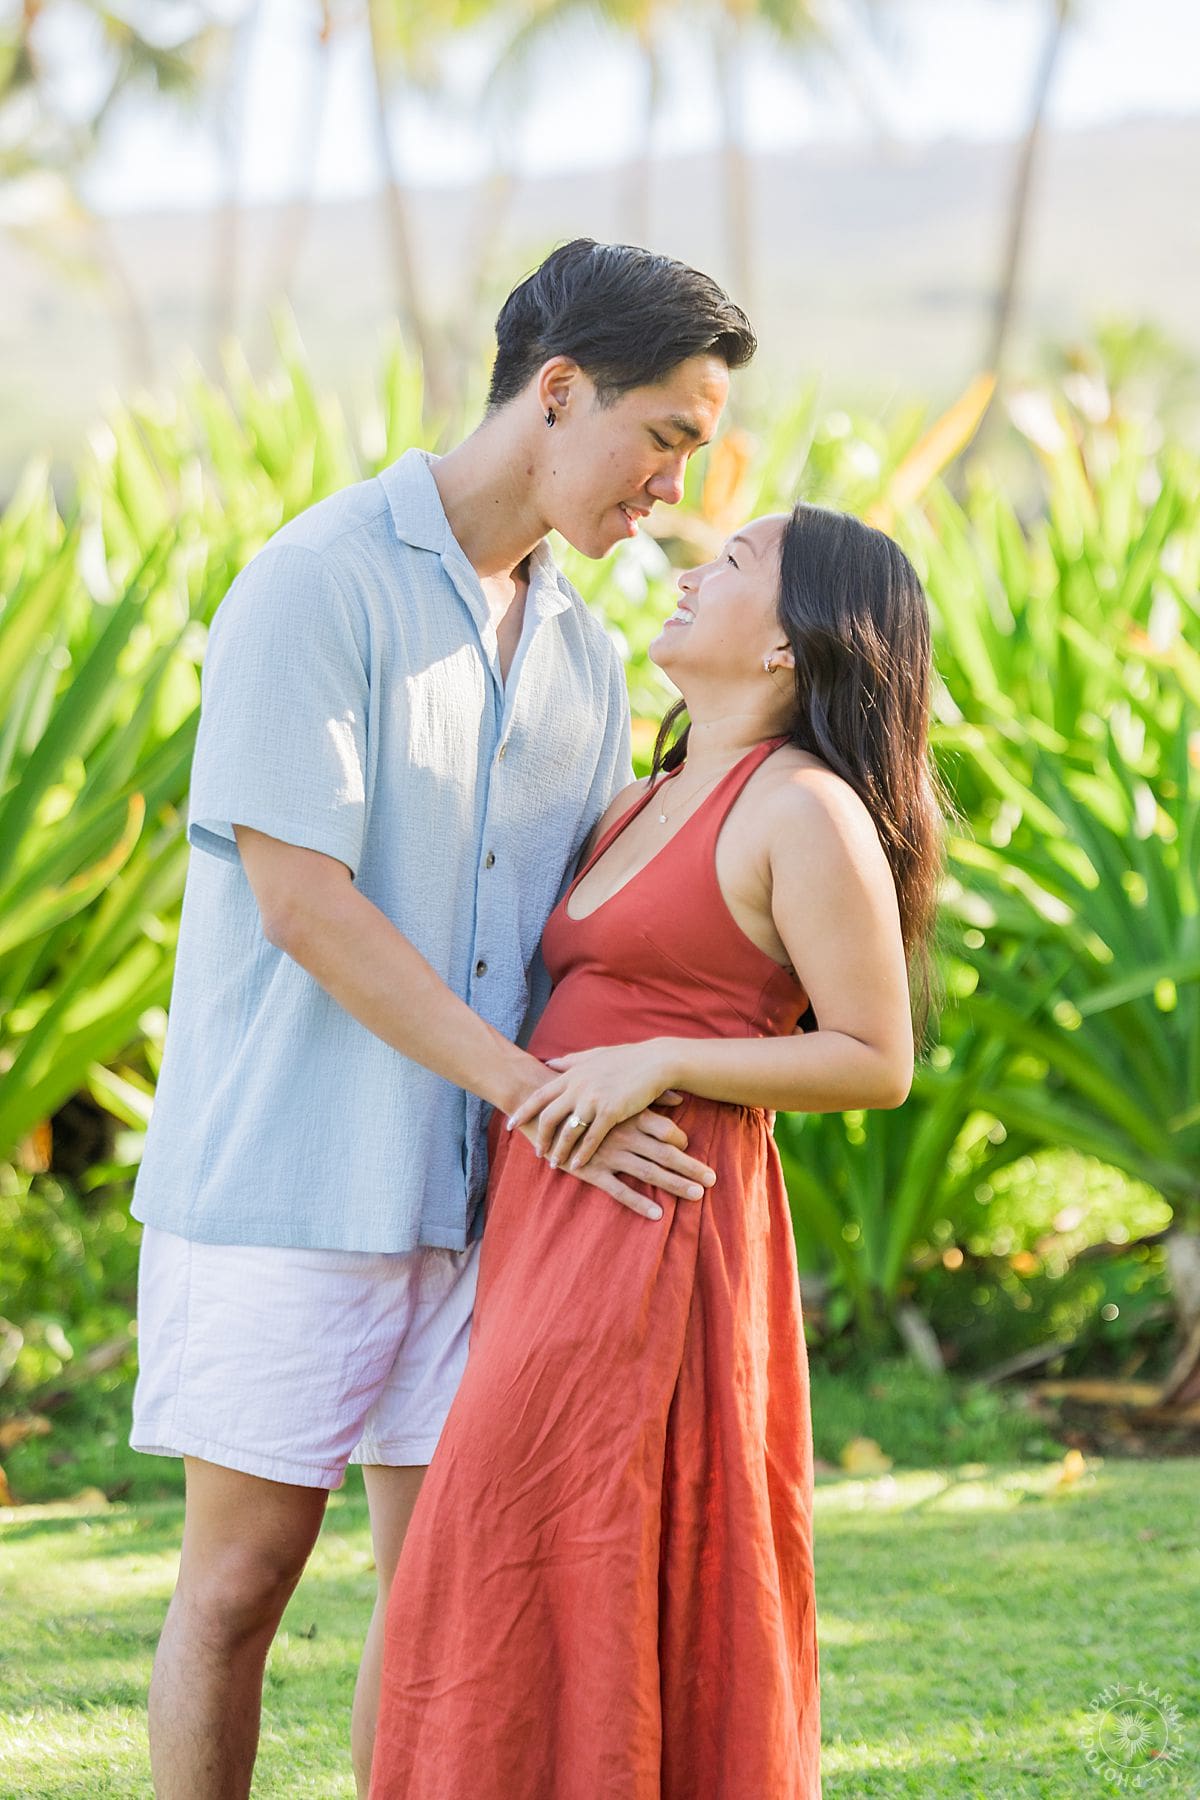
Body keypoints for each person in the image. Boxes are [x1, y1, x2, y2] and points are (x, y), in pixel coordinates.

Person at [127, 238, 756, 1799]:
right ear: (560, 391)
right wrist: (539, 1094)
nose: (674, 484)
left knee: (443, 1616)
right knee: (237, 1589)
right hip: (285, 1188)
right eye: (665, 435)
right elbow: (305, 902)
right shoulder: (318, 580)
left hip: (485, 1214)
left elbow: (590, 919)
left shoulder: (584, 652)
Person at [368, 502, 947, 1800]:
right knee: (510, 1550)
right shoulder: (640, 795)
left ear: (794, 642)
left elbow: (875, 1056)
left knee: (585, 1541)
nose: (689, 572)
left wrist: (665, 1061)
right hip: (551, 1217)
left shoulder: (805, 809)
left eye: (732, 562)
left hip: (661, 1232)